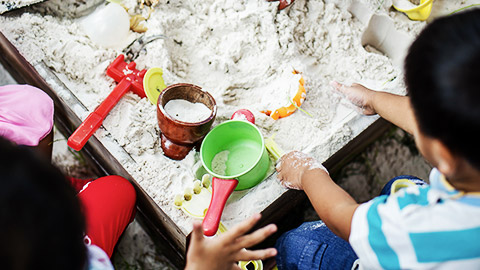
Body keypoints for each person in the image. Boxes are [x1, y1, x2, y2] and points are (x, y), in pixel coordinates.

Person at [275, 9, 480, 269]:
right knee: (400, 185)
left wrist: (308, 173)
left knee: (300, 244)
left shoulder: (424, 228)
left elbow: (343, 220)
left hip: (417, 250)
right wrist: (374, 99)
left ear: (445, 155)